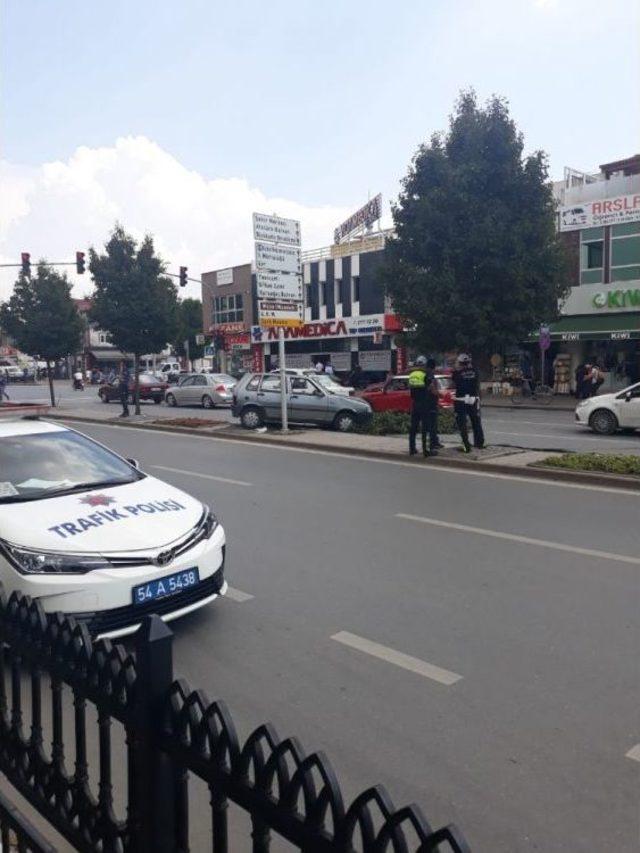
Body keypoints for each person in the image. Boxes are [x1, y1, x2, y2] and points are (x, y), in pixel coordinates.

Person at [452, 353, 485, 453]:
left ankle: (466, 446)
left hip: (461, 399)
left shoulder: (457, 373)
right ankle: (479, 443)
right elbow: (478, 385)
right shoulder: (475, 371)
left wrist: (457, 368)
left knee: (462, 424)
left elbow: (454, 383)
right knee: (476, 421)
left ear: (460, 363)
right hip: (473, 399)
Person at [408, 356, 439, 457]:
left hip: (414, 403)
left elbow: (411, 388)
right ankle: (426, 450)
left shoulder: (412, 374)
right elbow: (432, 388)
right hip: (425, 403)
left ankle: (412, 449)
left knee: (413, 427)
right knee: (425, 427)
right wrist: (437, 394)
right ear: (425, 364)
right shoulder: (426, 373)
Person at [425, 358, 444, 450]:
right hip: (431, 402)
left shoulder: (424, 373)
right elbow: (432, 388)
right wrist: (440, 395)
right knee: (433, 424)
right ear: (434, 366)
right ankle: (434, 443)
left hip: (425, 402)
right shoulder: (430, 374)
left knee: (430, 423)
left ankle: (433, 442)